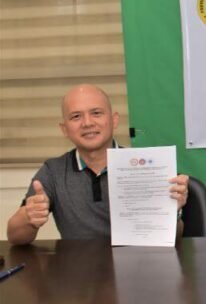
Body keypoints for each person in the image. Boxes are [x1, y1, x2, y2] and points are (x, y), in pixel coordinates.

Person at [6, 85, 189, 245]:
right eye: (76, 116)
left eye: (96, 113)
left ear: (114, 120)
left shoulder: (147, 168)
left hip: (139, 269)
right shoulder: (52, 172)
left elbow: (175, 237)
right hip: (79, 275)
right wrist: (29, 218)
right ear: (64, 129)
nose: (87, 123)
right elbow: (15, 236)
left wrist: (174, 212)